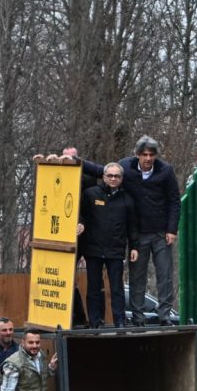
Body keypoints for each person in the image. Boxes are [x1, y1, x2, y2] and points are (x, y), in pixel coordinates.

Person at [69, 137, 180, 326]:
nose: (147, 158)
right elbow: (100, 170)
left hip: (161, 231)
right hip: (139, 233)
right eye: (144, 154)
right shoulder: (125, 168)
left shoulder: (165, 171)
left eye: (151, 155)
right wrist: (75, 161)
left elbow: (174, 200)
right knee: (137, 277)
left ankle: (165, 315)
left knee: (165, 274)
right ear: (137, 155)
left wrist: (171, 229)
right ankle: (138, 317)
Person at [78, 163, 139, 328]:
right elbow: (80, 214)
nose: (113, 179)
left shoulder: (127, 199)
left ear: (121, 178)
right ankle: (95, 322)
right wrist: (81, 223)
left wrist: (134, 247)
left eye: (117, 176)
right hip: (93, 249)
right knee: (93, 288)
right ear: (103, 177)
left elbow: (133, 226)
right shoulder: (90, 194)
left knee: (117, 288)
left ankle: (119, 322)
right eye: (110, 175)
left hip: (116, 250)